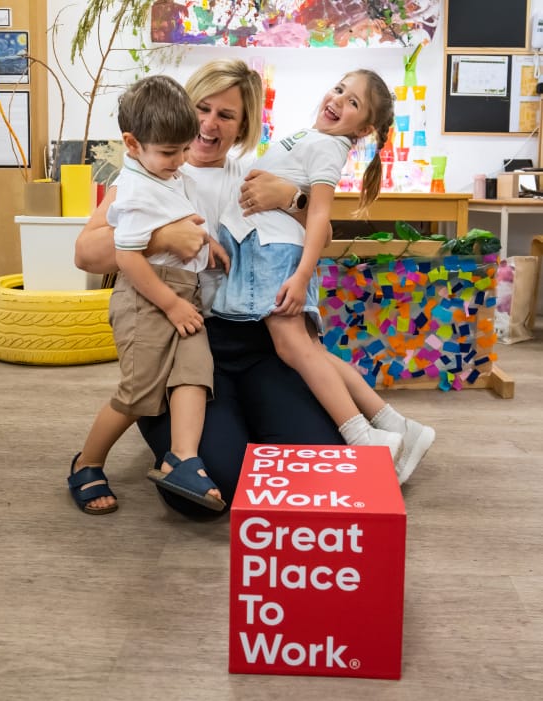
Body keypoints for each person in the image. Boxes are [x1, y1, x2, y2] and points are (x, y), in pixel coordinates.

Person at [74, 59, 434, 518]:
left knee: (328, 460)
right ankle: (173, 436)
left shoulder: (253, 173)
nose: (208, 124)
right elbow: (87, 253)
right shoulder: (152, 170)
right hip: (185, 341)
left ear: (243, 127)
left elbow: (316, 233)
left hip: (256, 341)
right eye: (201, 108)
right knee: (214, 490)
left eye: (226, 116)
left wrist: (292, 198)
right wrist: (162, 238)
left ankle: (260, 424)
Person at [211, 68, 417, 461]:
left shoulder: (328, 148)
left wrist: (303, 274)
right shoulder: (313, 138)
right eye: (339, 89)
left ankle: (364, 437)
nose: (338, 99)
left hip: (271, 250)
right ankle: (392, 425)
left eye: (353, 102)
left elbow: (321, 217)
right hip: (264, 248)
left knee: (295, 349)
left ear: (364, 127)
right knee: (306, 349)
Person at [68, 75, 230, 515]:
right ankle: (87, 462)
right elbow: (130, 260)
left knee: (195, 373)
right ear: (133, 144)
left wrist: (207, 240)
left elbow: (183, 216)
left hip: (182, 295)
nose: (179, 161)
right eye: (168, 152)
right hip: (147, 297)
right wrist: (172, 303)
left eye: (183, 149)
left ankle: (182, 458)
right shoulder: (135, 188)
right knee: (140, 391)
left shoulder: (167, 172)